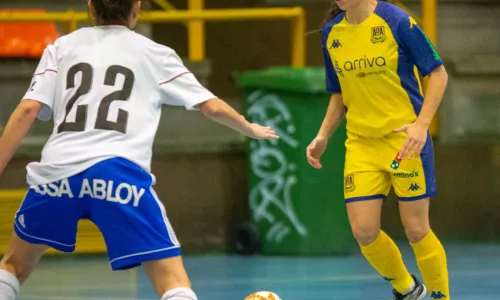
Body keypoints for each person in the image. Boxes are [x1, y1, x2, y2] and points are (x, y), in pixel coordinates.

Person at [0, 0, 279, 299]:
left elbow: (28, 110)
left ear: (90, 6)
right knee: (172, 280)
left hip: (56, 175)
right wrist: (248, 127)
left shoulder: (61, 47)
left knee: (13, 266)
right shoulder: (155, 53)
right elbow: (210, 107)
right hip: (119, 175)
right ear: (137, 7)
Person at [306, 0, 449, 299]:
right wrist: (322, 136)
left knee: (416, 230)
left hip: (403, 144)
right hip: (361, 145)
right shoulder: (332, 34)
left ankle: (440, 297)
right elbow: (339, 94)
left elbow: (437, 74)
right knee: (364, 232)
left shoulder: (398, 22)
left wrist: (421, 125)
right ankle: (409, 290)